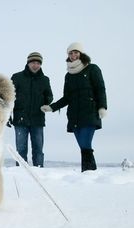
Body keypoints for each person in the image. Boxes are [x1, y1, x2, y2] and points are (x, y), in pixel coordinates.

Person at [41, 42, 107, 172]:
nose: (73, 55)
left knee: (85, 144)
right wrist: (52, 107)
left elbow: (100, 89)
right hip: (74, 116)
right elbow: (67, 97)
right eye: (70, 53)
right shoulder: (68, 75)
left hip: (90, 112)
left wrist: (102, 107)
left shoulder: (92, 69)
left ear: (81, 53)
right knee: (83, 147)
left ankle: (89, 172)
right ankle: (89, 174)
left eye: (75, 52)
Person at [8, 52, 53, 167]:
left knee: (38, 149)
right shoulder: (17, 77)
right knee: (21, 150)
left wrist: (46, 101)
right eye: (33, 62)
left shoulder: (45, 80)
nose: (35, 65)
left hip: (38, 120)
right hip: (20, 120)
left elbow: (49, 96)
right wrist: (7, 115)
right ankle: (21, 173)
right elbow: (8, 97)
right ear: (28, 63)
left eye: (38, 63)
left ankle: (39, 172)